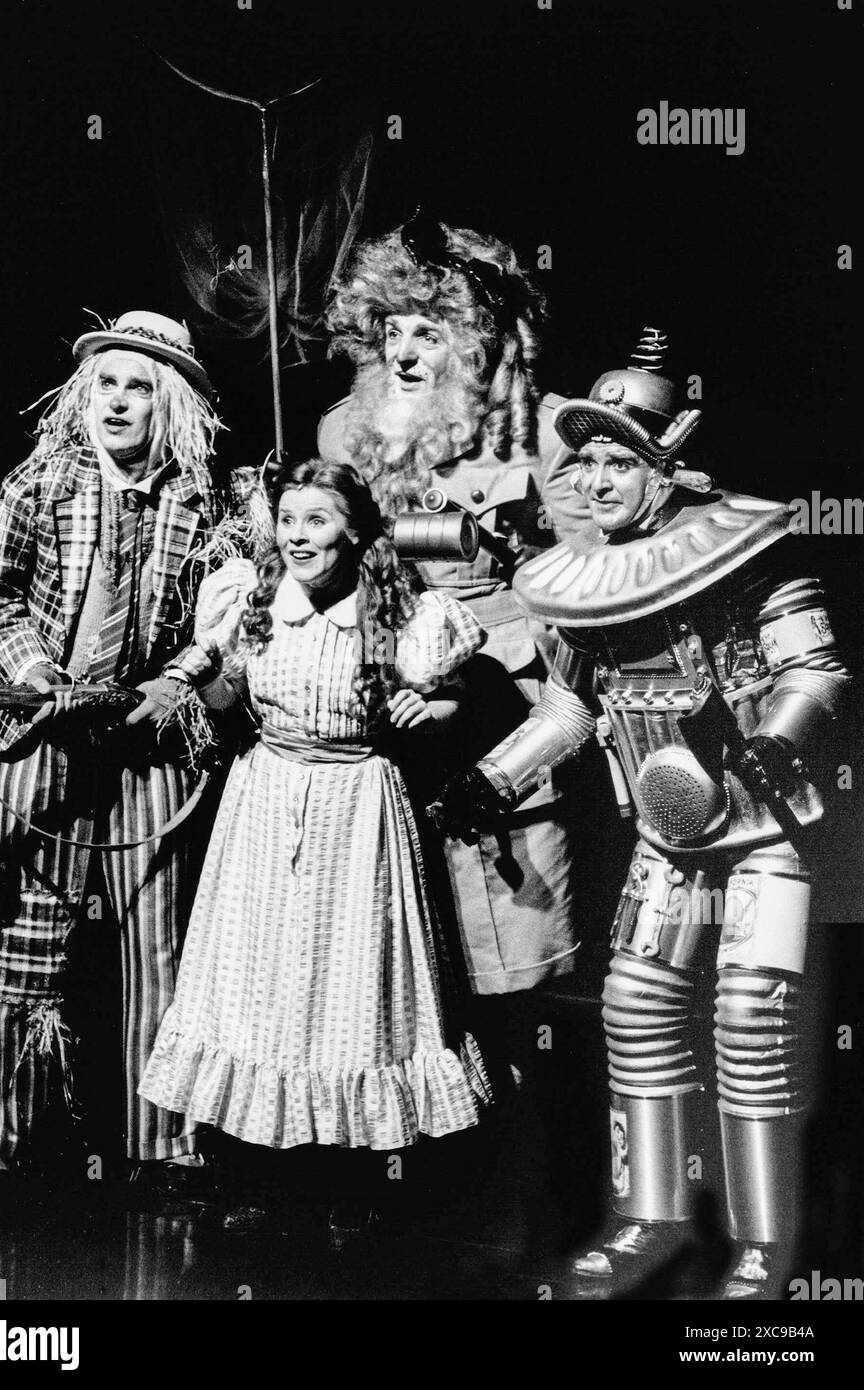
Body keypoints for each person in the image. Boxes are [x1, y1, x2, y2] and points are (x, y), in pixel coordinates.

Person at [435, 328, 850, 1299]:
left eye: (622, 457)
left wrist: (777, 736)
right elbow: (573, 706)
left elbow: (815, 668)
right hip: (666, 841)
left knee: (751, 1016)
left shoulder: (746, 553)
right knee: (635, 1006)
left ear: (670, 461)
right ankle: (649, 1216)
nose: (599, 475)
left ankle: (763, 1241)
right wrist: (494, 779)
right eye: (587, 458)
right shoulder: (581, 584)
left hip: (764, 837)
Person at [138, 459, 493, 1243]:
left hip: (357, 803)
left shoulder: (400, 611)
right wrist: (207, 677)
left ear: (356, 531)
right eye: (289, 519)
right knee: (258, 979)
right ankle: (257, 1173)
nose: (298, 537)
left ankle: (356, 1181)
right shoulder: (255, 599)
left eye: (318, 521)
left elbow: (454, 699)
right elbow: (230, 698)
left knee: (351, 980)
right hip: (265, 797)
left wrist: (423, 705)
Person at [0, 311, 223, 1202]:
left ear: (168, 405)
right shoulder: (40, 484)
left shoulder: (198, 500)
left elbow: (221, 630)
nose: (118, 402)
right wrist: (39, 677)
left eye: (139, 387)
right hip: (41, 733)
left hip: (148, 746)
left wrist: (168, 686)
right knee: (21, 934)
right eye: (106, 384)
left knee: (158, 946)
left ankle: (163, 1146)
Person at [320, 208, 591, 1000]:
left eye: (428, 335)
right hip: (384, 702)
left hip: (504, 697)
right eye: (393, 332)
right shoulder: (343, 433)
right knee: (405, 940)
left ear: (472, 345)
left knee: (515, 930)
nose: (403, 353)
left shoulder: (540, 433)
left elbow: (588, 580)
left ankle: (534, 1090)